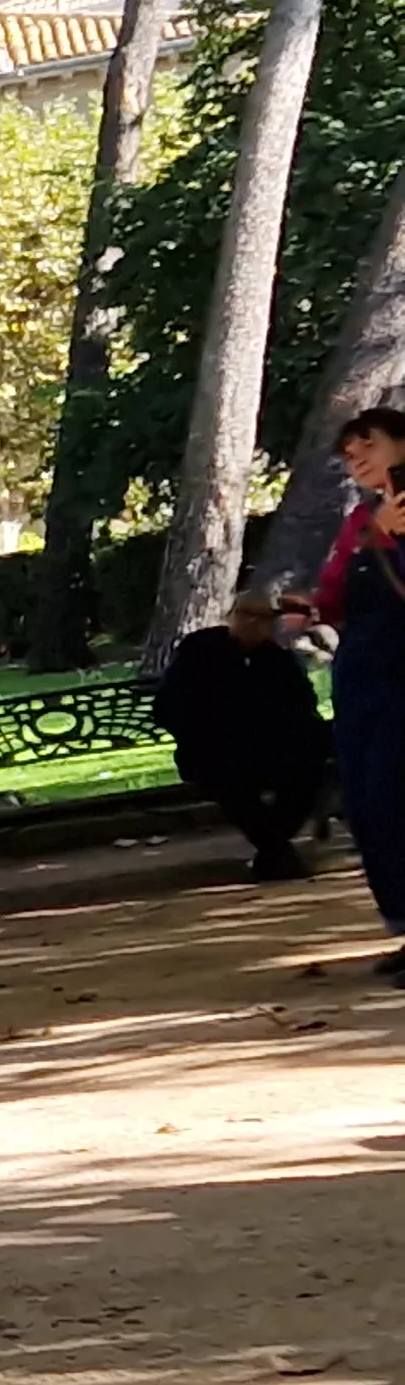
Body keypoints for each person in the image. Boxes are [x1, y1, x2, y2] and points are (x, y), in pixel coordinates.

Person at [301, 406, 405, 971]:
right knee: (373, 806)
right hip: (364, 679)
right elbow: (338, 592)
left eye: (368, 442)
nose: (358, 457)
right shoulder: (361, 518)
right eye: (349, 452)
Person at [156, 580, 331, 881]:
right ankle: (277, 853)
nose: (258, 625)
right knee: (229, 781)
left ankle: (272, 852)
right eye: (250, 616)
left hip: (272, 750)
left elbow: (302, 705)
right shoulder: (200, 650)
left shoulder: (276, 659)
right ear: (234, 616)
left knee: (309, 774)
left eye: (265, 619)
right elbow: (171, 706)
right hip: (214, 750)